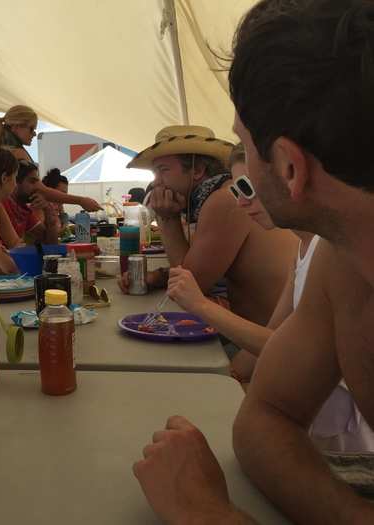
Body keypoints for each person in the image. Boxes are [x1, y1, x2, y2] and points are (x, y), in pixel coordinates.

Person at [134, 1, 374, 522]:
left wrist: (208, 513)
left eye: (243, 146)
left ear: (288, 166)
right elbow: (265, 418)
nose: (233, 181)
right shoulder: (342, 262)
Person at [169, 144, 374, 451]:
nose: (242, 202)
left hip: (336, 446)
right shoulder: (301, 249)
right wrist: (230, 375)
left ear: (290, 175)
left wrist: (200, 306)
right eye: (236, 190)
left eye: (247, 186)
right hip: (306, 423)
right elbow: (272, 338)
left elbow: (288, 352)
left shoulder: (330, 254)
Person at [120, 125, 297, 327]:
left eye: (163, 170)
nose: (156, 182)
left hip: (257, 340)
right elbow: (192, 267)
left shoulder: (226, 199)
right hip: (254, 333)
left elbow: (192, 284)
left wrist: (167, 218)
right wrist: (159, 276)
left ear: (197, 170)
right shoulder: (209, 198)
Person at [0, 105, 102, 212]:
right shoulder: (17, 153)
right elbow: (39, 188)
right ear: (16, 126)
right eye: (31, 128)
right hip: (9, 215)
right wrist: (80, 200)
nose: (34, 133)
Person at [0, 160, 60, 245]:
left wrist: (48, 212)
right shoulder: (2, 204)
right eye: (32, 182)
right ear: (16, 182)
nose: (37, 187)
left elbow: (50, 245)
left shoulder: (23, 209)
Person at [42, 168, 70, 232]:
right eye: (61, 194)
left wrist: (62, 213)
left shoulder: (55, 212)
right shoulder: (41, 212)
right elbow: (56, 233)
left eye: (65, 194)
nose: (64, 198)